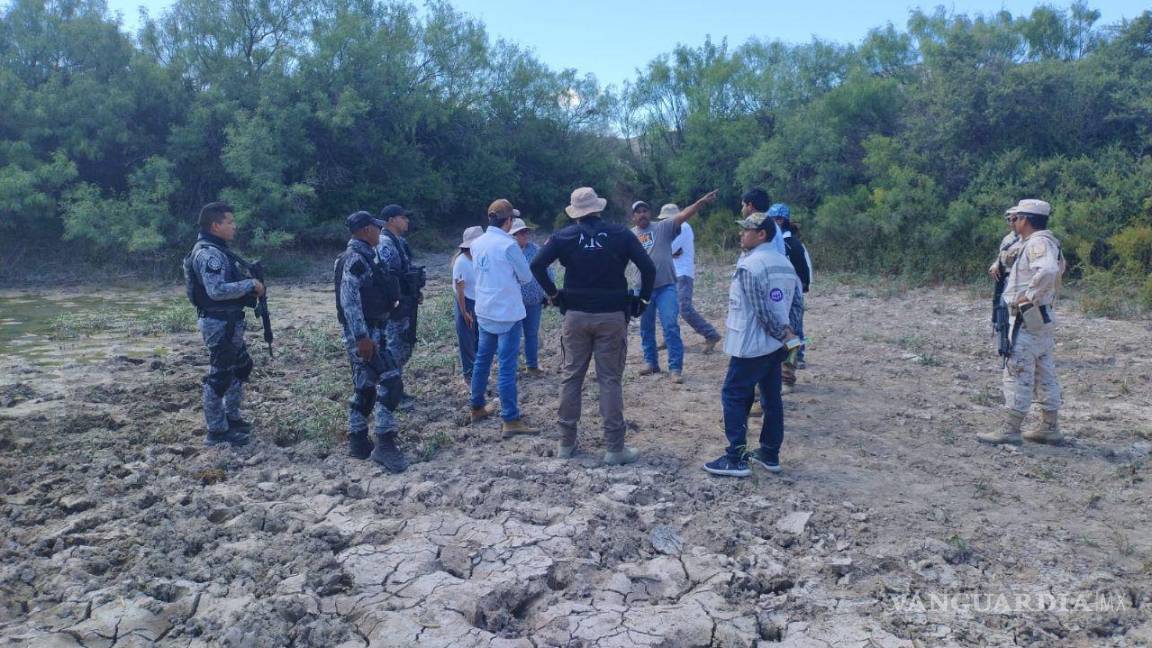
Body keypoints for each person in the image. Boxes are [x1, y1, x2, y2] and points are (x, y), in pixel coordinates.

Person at [531, 187, 656, 465]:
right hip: (612, 315)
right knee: (609, 379)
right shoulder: (621, 234)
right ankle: (614, 448)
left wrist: (553, 295)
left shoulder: (564, 236)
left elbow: (537, 265)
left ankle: (566, 443)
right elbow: (648, 268)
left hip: (575, 315)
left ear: (575, 213)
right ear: (598, 208)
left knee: (571, 376)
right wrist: (643, 300)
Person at [704, 212, 802, 478]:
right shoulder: (785, 264)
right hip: (775, 346)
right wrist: (790, 338)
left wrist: (781, 334)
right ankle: (769, 453)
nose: (741, 234)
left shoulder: (750, 266)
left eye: (747, 230)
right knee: (772, 398)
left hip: (752, 345)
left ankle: (735, 457)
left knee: (733, 394)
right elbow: (796, 305)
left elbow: (762, 310)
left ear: (762, 234)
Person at [978, 199, 1066, 446]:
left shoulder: (1037, 243)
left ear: (1025, 219)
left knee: (1017, 369)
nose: (1013, 222)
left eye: (1016, 218)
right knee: (1043, 370)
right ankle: (1049, 426)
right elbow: (1060, 269)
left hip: (1026, 318)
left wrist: (1029, 295)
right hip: (1041, 318)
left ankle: (1010, 429)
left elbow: (1048, 270)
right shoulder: (1049, 242)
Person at [183, 201, 265, 447]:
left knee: (241, 367)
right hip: (218, 322)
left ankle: (232, 417)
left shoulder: (218, 249)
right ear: (216, 225)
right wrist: (251, 285)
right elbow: (216, 290)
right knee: (219, 375)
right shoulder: (208, 253)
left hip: (229, 321)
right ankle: (216, 431)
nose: (234, 226)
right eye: (229, 222)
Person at [334, 211, 407, 472]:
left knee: (365, 386)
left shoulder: (362, 256)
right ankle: (385, 442)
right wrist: (362, 337)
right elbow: (350, 300)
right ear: (366, 230)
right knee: (391, 381)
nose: (379, 232)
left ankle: (357, 440)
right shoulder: (356, 259)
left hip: (372, 328)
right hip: (366, 333)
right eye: (376, 228)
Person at [468, 199, 540, 437]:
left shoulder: (477, 243)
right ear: (508, 220)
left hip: (485, 309)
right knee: (507, 367)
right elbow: (526, 276)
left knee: (482, 359)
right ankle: (510, 419)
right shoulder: (508, 245)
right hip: (507, 312)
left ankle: (477, 406)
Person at [631, 192, 718, 382]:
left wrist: (699, 203)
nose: (642, 214)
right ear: (633, 217)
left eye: (645, 210)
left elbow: (683, 216)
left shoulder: (662, 227)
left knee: (670, 326)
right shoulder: (630, 235)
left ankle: (675, 368)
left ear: (650, 213)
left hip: (666, 286)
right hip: (641, 288)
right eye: (638, 212)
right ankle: (651, 363)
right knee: (646, 327)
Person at [376, 203, 424, 409]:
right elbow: (385, 276)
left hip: (405, 302)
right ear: (391, 220)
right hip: (395, 306)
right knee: (395, 349)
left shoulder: (399, 242)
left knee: (403, 346)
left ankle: (397, 391)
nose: (407, 220)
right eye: (403, 217)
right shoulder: (385, 243)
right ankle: (390, 395)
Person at [768, 203, 812, 391]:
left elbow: (802, 270)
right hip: (786, 292)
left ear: (778, 220)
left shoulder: (790, 243)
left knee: (793, 332)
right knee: (791, 331)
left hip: (791, 293)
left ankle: (791, 369)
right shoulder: (784, 241)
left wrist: (800, 290)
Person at [669, 217, 722, 354]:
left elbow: (668, 248)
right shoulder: (675, 227)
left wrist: (668, 251)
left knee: (684, 308)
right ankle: (669, 338)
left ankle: (710, 334)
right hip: (674, 272)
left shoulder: (683, 227)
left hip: (683, 273)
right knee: (670, 308)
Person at [511, 217, 552, 376]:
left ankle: (532, 365)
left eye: (525, 232)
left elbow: (547, 270)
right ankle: (512, 368)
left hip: (534, 299)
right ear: (512, 235)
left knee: (531, 333)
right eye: (520, 232)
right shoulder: (507, 251)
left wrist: (549, 291)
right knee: (513, 336)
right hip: (514, 301)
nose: (523, 235)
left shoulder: (534, 249)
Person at [452, 226, 483, 386]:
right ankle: (469, 375)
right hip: (465, 301)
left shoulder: (480, 257)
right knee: (467, 340)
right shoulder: (462, 262)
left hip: (479, 301)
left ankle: (477, 372)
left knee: (479, 339)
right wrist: (464, 312)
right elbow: (460, 289)